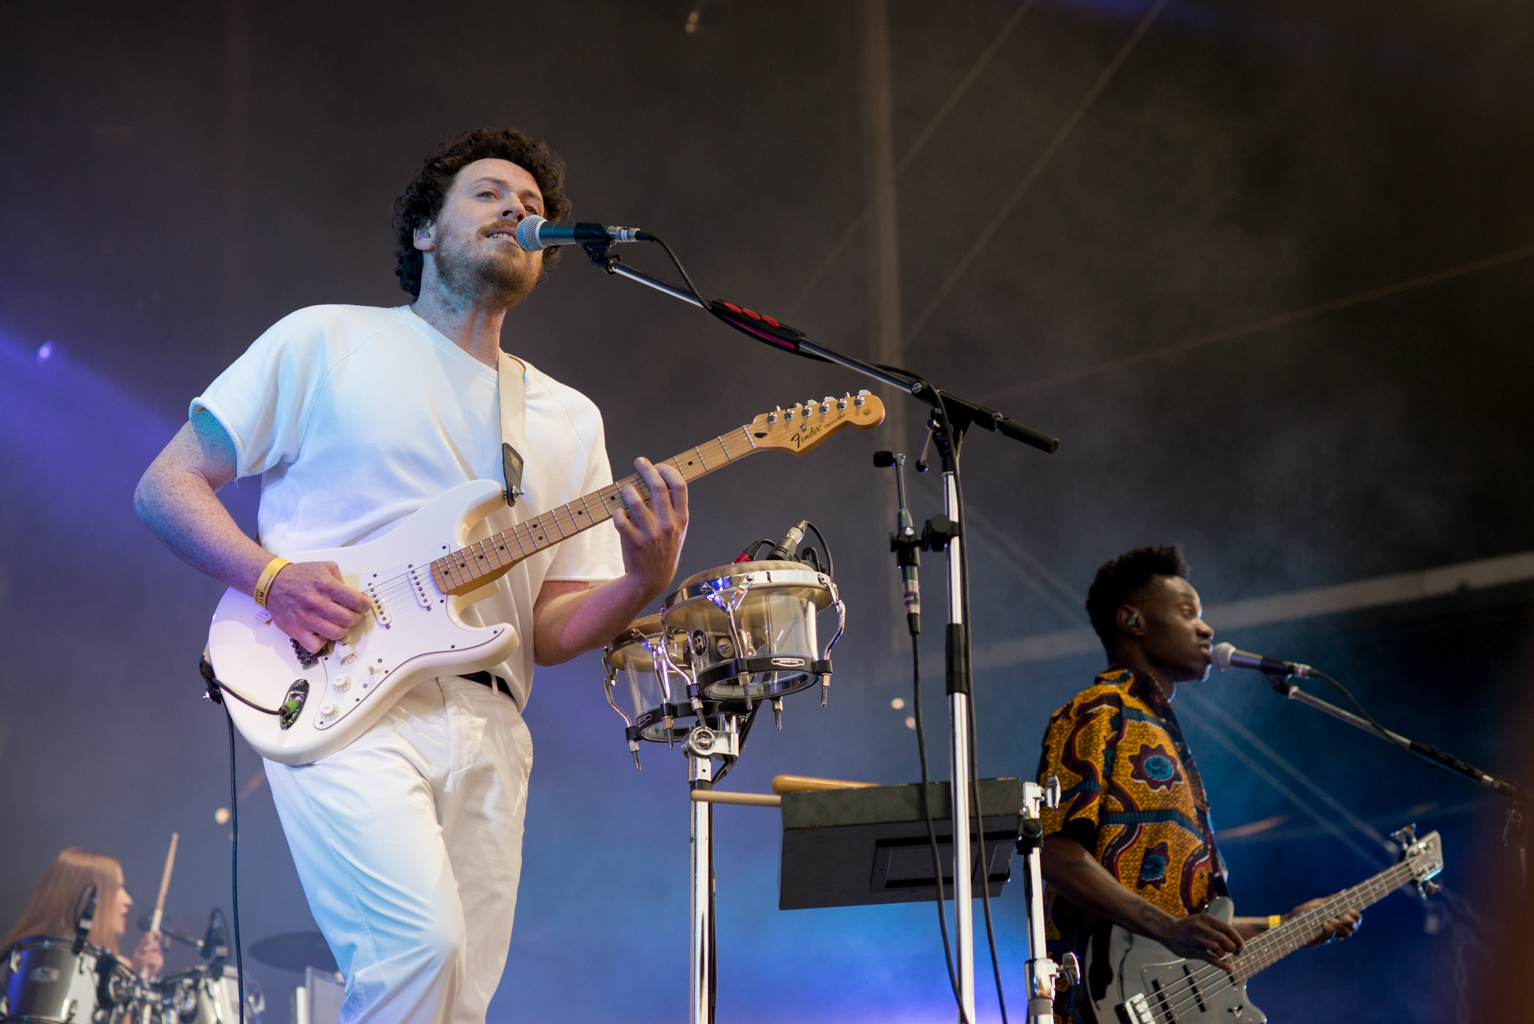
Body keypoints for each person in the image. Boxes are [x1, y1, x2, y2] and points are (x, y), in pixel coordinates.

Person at [134, 128, 689, 1024]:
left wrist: (640, 583)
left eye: (533, 206)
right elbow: (166, 487)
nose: (517, 210)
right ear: (425, 231)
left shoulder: (566, 418)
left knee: (457, 1001)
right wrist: (271, 577)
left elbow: (548, 629)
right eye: (489, 194)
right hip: (338, 690)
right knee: (416, 953)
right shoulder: (325, 340)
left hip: (492, 721)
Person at [1037, 544, 1359, 1018]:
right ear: (1132, 620)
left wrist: (1285, 925)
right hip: (1096, 1004)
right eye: (1187, 613)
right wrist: (1168, 928)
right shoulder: (1096, 711)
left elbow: (1190, 939)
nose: (1206, 629)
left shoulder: (1167, 741)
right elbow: (1054, 852)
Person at [4, 848, 163, 975]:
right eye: (116, 888)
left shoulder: (121, 969)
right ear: (85, 897)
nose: (128, 900)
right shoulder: (19, 961)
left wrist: (136, 978)